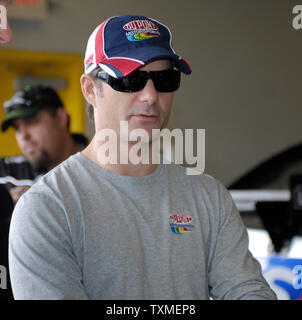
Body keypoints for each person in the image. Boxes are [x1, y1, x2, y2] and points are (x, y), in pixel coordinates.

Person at [9, 14, 277, 300]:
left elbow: (247, 291)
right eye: (131, 79)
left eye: (164, 79)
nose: (150, 95)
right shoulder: (47, 208)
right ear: (90, 89)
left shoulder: (208, 196)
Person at [0, 85, 87, 300]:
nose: (24, 136)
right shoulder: (6, 171)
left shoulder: (99, 167)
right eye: (18, 128)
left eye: (31, 122)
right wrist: (6, 203)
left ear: (60, 117)